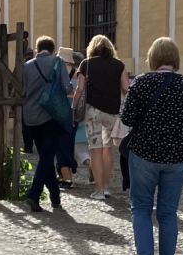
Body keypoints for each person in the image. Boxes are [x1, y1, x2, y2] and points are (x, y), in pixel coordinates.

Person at [120, 38, 183, 255]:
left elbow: (127, 118)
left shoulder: (142, 82)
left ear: (153, 58)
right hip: (177, 157)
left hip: (145, 154)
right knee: (168, 213)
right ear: (175, 60)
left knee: (141, 208)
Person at [21, 36, 72, 212]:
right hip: (50, 116)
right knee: (46, 157)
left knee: (45, 156)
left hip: (30, 116)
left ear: (37, 49)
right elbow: (67, 87)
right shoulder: (57, 62)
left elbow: (22, 90)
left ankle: (55, 196)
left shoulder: (26, 66)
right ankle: (33, 195)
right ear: (52, 49)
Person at [75, 35, 129, 200]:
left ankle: (98, 190)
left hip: (93, 112)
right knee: (108, 150)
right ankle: (106, 187)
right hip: (112, 112)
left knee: (95, 150)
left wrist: (74, 106)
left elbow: (79, 88)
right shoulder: (119, 65)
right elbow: (126, 88)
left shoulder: (87, 64)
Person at [56, 47, 81, 188]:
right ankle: (64, 173)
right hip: (74, 113)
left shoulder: (60, 71)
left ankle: (67, 177)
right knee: (68, 143)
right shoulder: (78, 72)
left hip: (60, 112)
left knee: (60, 146)